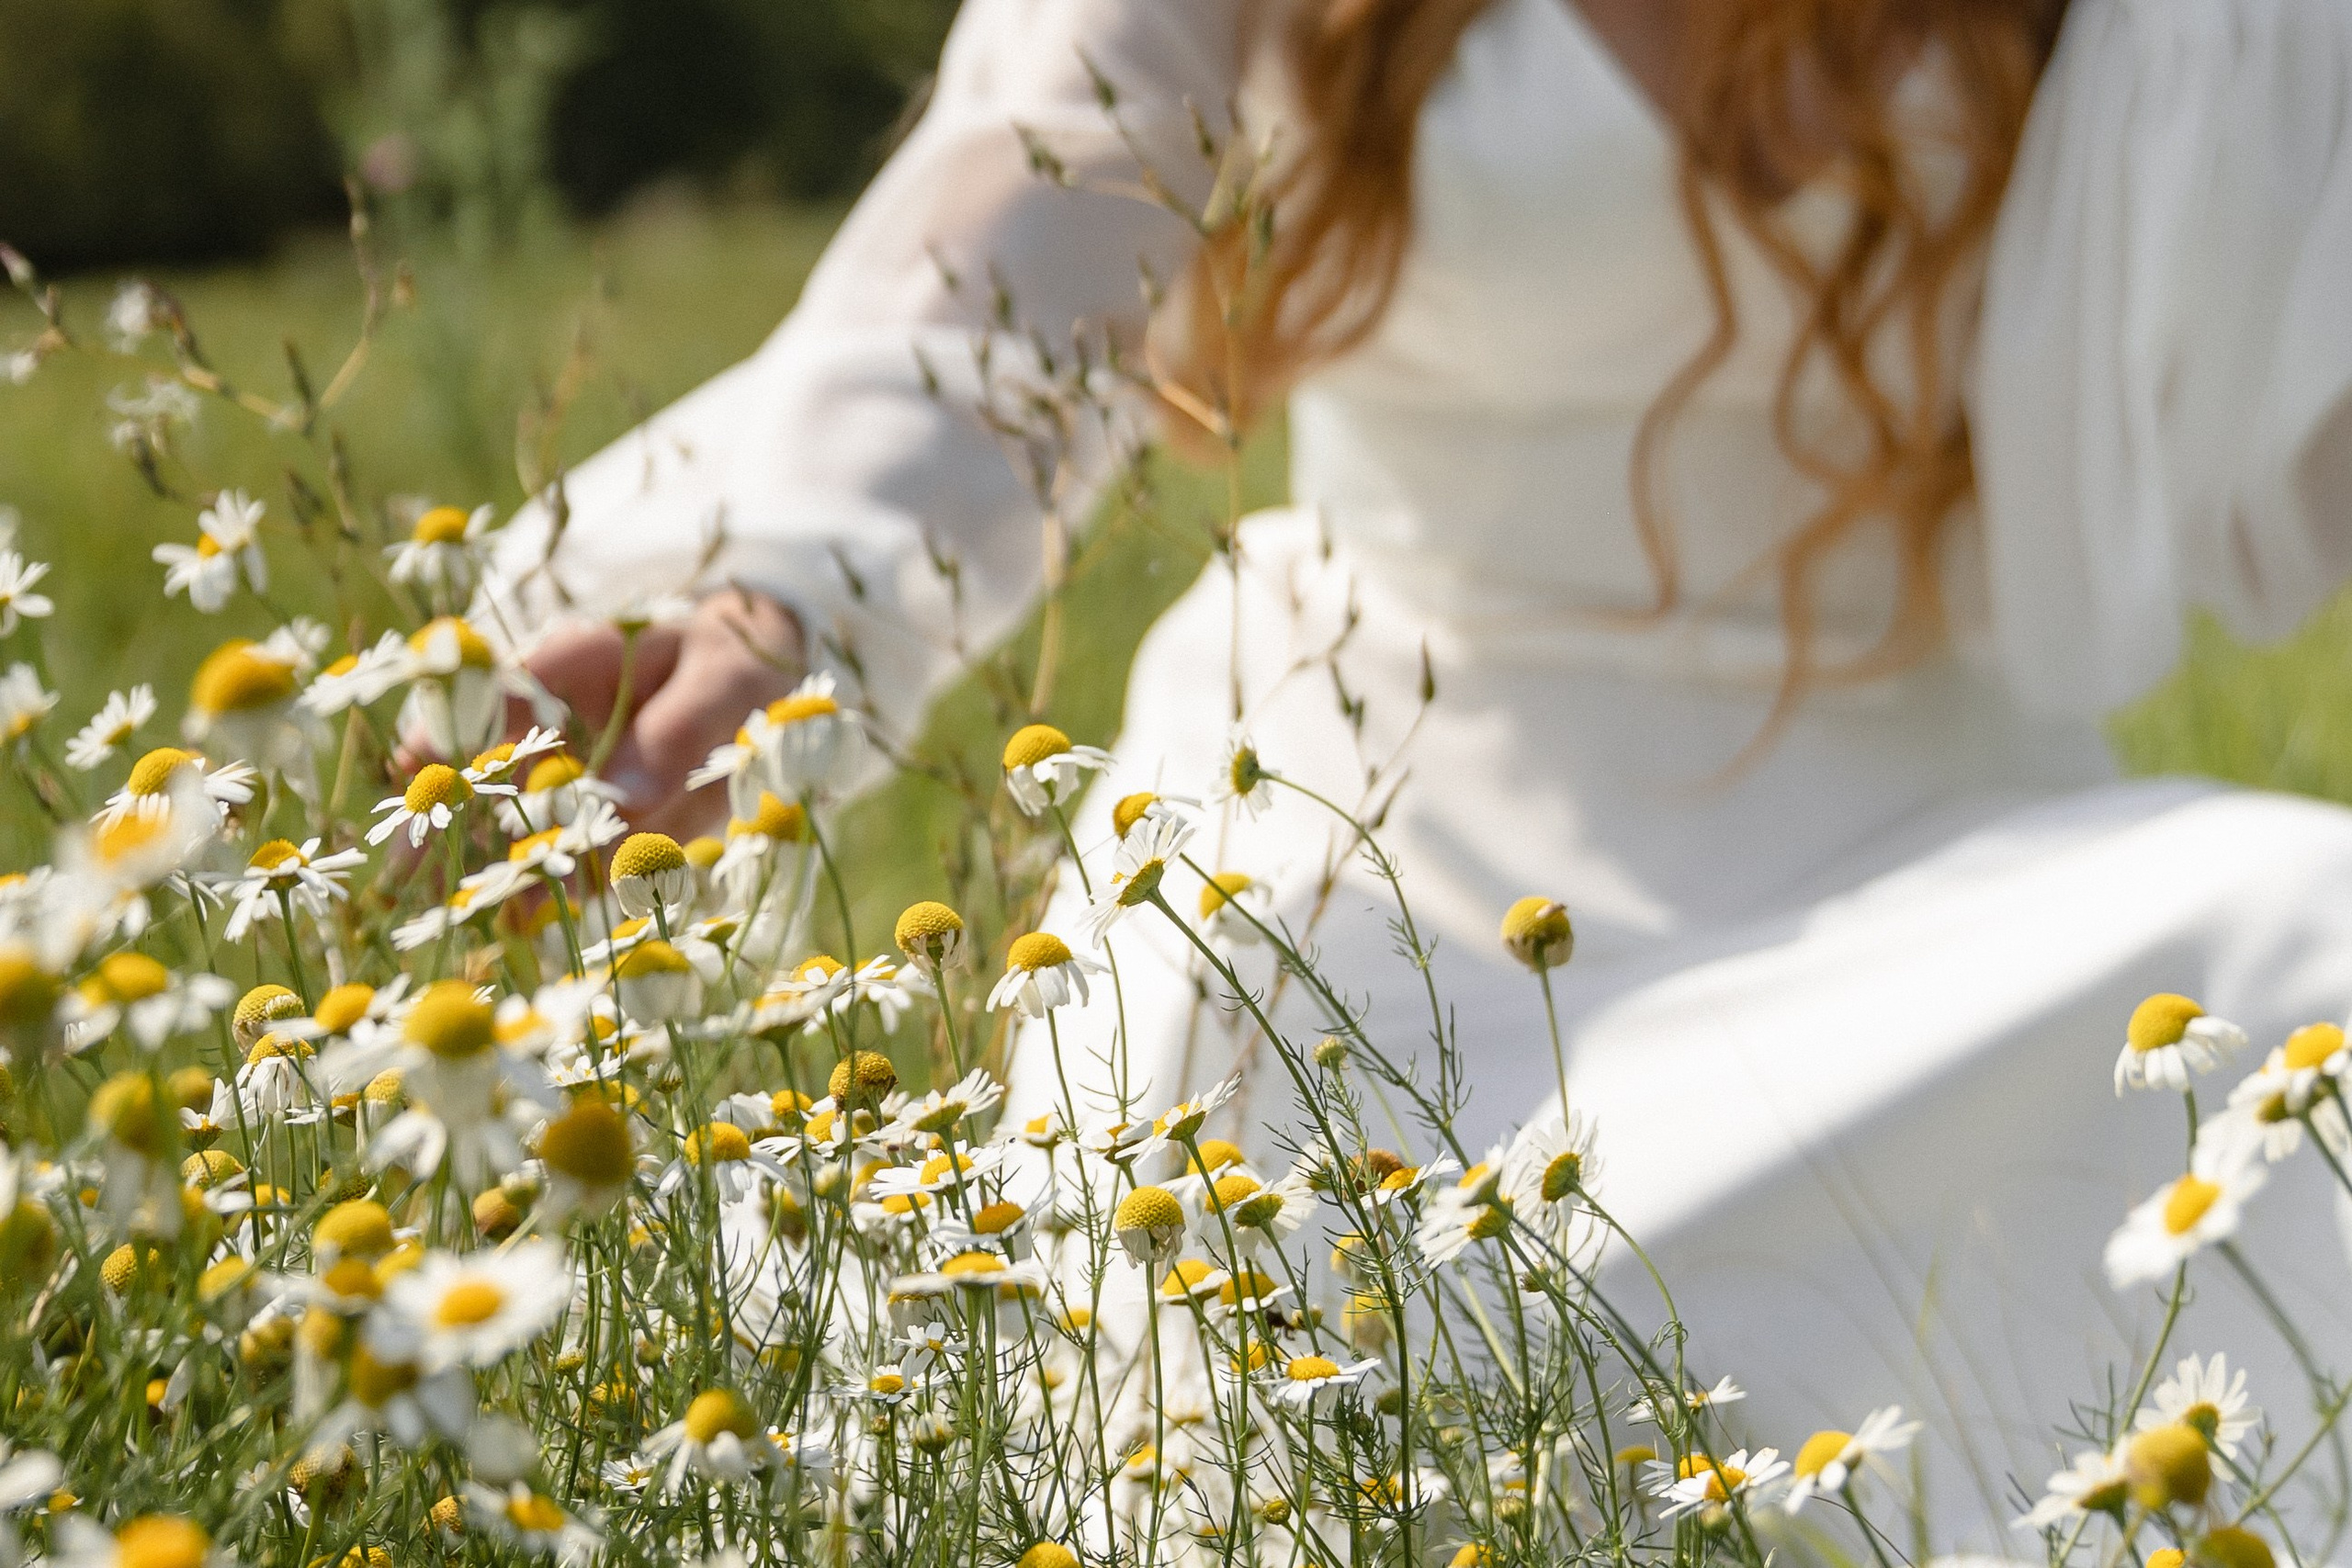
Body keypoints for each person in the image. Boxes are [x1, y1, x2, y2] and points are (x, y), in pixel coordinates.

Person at [485, 0, 2352, 1542]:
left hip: (1959, 856)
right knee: (1329, 1323)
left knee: (2308, 944)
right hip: (1383, 824)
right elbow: (997, 276)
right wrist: (767, 608)